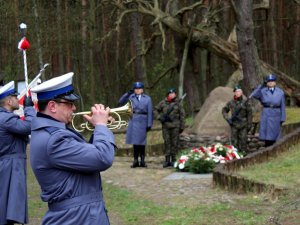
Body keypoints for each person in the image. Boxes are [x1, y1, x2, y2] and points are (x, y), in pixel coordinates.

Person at [30, 72, 115, 225]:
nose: (74, 107)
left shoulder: (51, 132)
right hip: (76, 218)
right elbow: (103, 158)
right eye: (69, 103)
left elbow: (86, 159)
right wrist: (101, 126)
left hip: (77, 215)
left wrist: (98, 130)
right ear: (52, 106)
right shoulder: (55, 139)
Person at [0, 81, 35, 225]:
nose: (17, 100)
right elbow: (30, 126)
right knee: (7, 209)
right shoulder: (7, 118)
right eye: (15, 97)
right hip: (10, 166)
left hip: (9, 164)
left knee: (7, 206)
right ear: (8, 101)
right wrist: (29, 109)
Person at [118, 81, 153, 168]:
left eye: (139, 89)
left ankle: (143, 160)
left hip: (143, 120)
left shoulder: (147, 98)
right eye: (136, 89)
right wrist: (127, 93)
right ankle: (135, 160)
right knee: (135, 142)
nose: (137, 90)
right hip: (134, 120)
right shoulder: (130, 97)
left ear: (142, 89)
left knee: (142, 143)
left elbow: (150, 112)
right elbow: (121, 102)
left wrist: (149, 123)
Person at [250, 74, 286, 147]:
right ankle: (267, 148)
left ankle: (274, 148)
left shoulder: (280, 92)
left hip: (276, 114)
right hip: (266, 113)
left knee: (275, 135)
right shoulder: (263, 91)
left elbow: (283, 105)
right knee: (267, 135)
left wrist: (283, 117)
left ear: (275, 82)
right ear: (266, 83)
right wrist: (261, 85)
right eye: (269, 81)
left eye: (272, 81)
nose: (270, 83)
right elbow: (254, 94)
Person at [154, 88, 185, 168]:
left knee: (175, 143)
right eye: (170, 94)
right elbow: (155, 110)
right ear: (168, 95)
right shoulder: (163, 103)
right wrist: (159, 117)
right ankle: (167, 160)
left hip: (175, 126)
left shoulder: (178, 103)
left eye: (173, 93)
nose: (172, 95)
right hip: (166, 126)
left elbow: (182, 115)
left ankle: (174, 160)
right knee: (167, 143)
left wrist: (182, 126)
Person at [222, 85, 252, 154]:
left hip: (243, 125)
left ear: (241, 92)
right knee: (234, 143)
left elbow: (249, 114)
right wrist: (227, 119)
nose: (238, 93)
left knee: (243, 141)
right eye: (236, 92)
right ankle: (235, 156)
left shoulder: (246, 102)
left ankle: (244, 156)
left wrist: (249, 125)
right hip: (234, 125)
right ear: (234, 93)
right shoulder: (231, 102)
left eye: (239, 91)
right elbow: (224, 110)